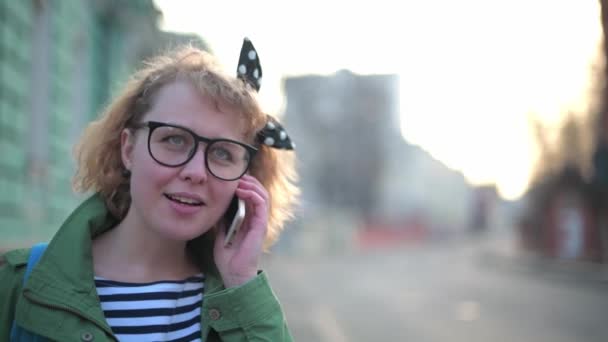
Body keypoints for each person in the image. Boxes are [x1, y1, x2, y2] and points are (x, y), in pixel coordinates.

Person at [0, 38, 298, 341]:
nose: (195, 173)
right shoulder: (20, 285)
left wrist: (240, 284)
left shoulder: (239, 305)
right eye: (174, 140)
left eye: (223, 153)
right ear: (128, 149)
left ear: (245, 180)